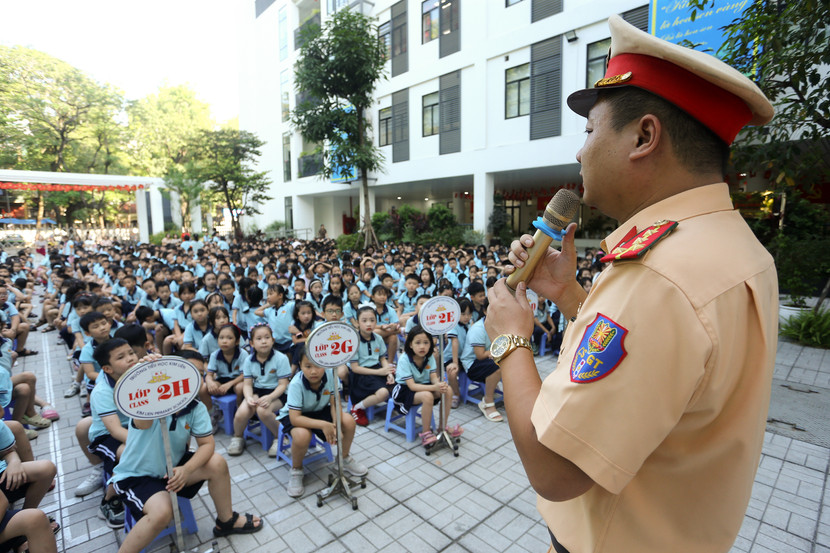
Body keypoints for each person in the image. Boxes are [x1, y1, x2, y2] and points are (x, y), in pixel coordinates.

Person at [485, 15, 777, 553]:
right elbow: (661, 367)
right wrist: (570, 295)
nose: (580, 152)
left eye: (591, 132)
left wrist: (510, 339)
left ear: (644, 136)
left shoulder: (659, 274)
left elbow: (555, 468)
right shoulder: (735, 246)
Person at [278, 345, 367, 498]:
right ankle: (297, 470)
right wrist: (323, 425)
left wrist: (335, 424)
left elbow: (335, 403)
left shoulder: (330, 375)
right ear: (300, 365)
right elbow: (295, 418)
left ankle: (343, 459)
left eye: (318, 366)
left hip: (320, 409)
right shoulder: (296, 384)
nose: (313, 371)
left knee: (348, 421)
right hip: (298, 414)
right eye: (308, 366)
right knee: (301, 436)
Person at [390, 325, 461, 447]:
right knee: (427, 396)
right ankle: (426, 432)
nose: (422, 346)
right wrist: (434, 388)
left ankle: (442, 427)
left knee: (448, 390)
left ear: (431, 344)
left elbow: (433, 376)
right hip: (404, 390)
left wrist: (438, 384)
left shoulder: (429, 357)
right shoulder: (404, 359)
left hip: (423, 385)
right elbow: (412, 386)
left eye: (426, 343)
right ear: (410, 344)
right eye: (417, 342)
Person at [228, 323, 290, 457]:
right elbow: (247, 384)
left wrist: (270, 397)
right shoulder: (249, 360)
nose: (263, 341)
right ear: (251, 343)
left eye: (267, 337)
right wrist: (249, 397)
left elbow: (283, 385)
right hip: (258, 391)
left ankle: (279, 437)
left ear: (273, 340)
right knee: (242, 411)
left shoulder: (281, 358)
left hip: (278, 393)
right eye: (259, 338)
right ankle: (238, 438)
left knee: (263, 411)